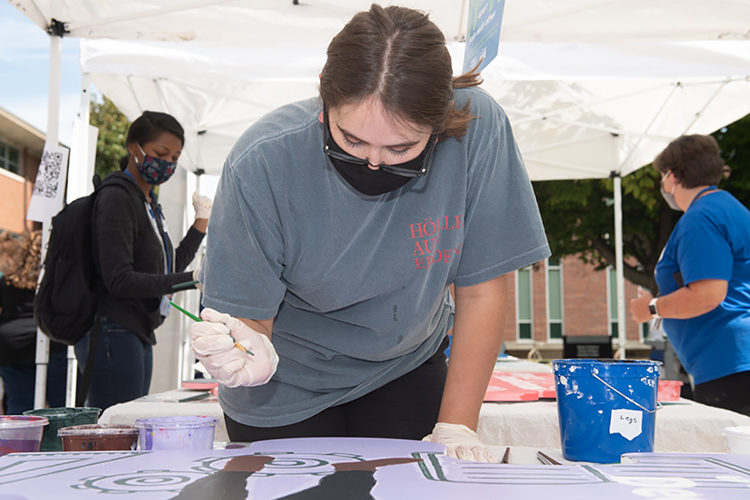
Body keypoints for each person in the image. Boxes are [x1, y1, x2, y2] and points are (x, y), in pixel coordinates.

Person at [190, 4, 550, 462]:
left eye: (401, 147)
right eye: (352, 141)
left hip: (405, 363)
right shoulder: (262, 162)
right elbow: (249, 318)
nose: (374, 163)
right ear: (325, 108)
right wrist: (245, 348)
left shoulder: (477, 132)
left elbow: (480, 290)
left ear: (439, 127)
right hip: (286, 380)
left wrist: (457, 426)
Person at [74, 111, 212, 412]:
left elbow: (165, 266)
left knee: (129, 427)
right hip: (112, 330)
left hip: (135, 331)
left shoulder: (147, 202)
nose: (168, 164)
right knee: (118, 431)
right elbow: (119, 278)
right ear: (134, 148)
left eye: (175, 157)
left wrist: (200, 226)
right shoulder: (117, 198)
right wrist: (190, 279)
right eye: (161, 153)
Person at [631, 134, 750, 417]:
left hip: (729, 363)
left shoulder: (702, 217)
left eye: (662, 176)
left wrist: (651, 308)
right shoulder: (732, 209)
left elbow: (707, 295)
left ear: (671, 177)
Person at [0, 230, 67, 414]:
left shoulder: (7, 281)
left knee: (20, 403)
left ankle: (19, 442)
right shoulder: (49, 278)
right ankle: (57, 442)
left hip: (12, 346)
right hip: (50, 339)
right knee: (60, 405)